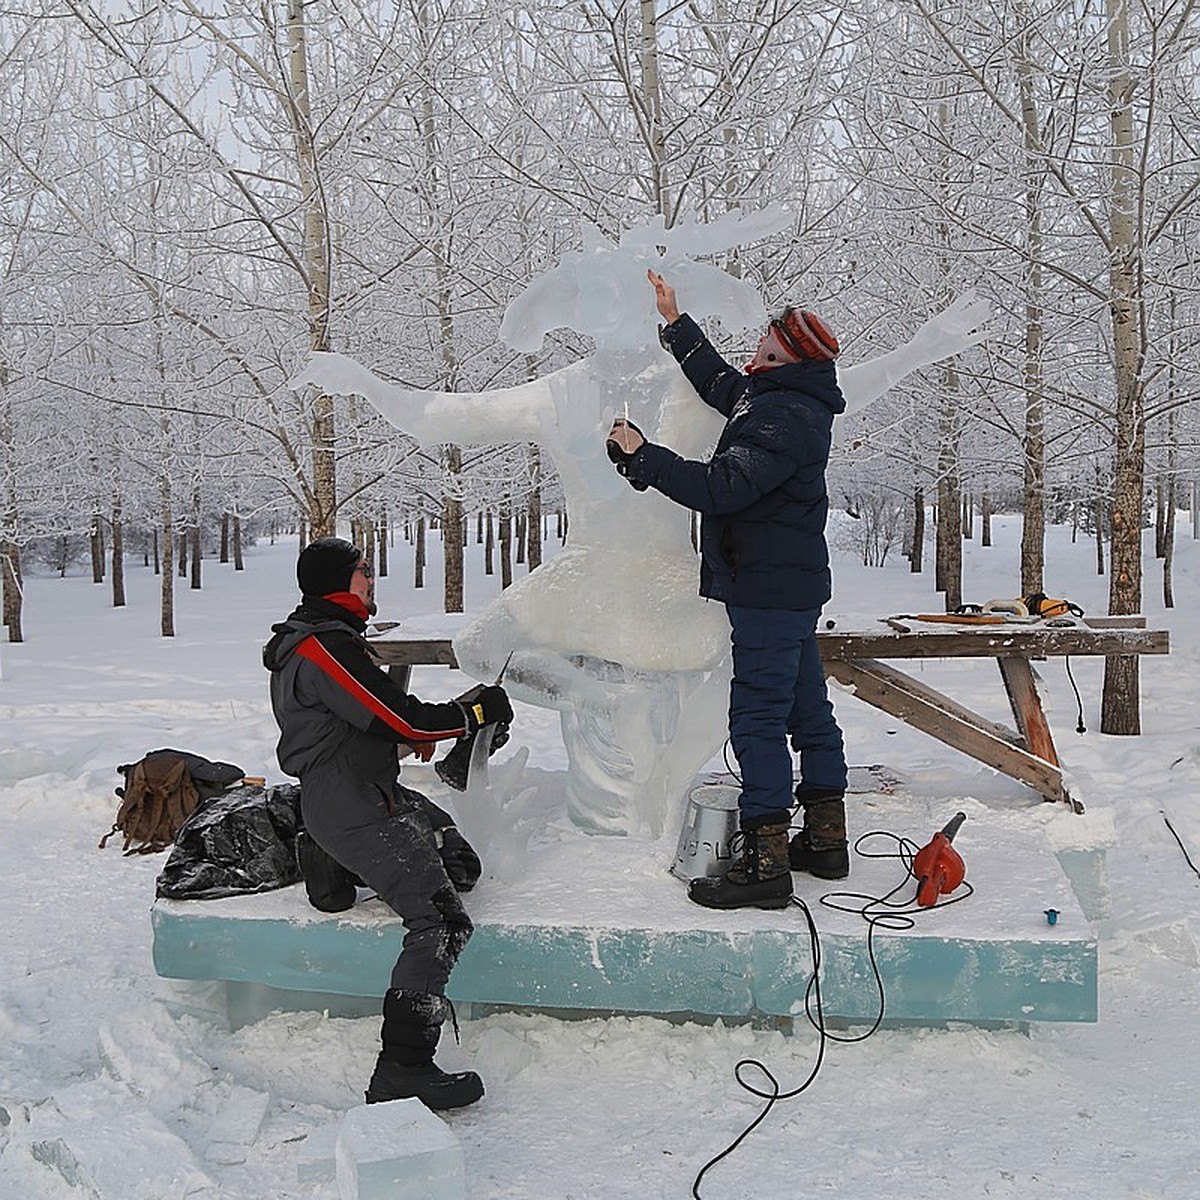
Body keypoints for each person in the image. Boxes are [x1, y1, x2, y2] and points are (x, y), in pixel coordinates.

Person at [605, 270, 850, 911]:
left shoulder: (785, 418)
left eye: (765, 348)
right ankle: (826, 838)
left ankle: (765, 857)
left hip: (769, 591)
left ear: (786, 359)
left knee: (757, 719)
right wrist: (675, 322)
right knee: (804, 710)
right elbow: (722, 385)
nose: (753, 354)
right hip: (786, 585)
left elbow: (721, 488)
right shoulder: (777, 399)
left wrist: (641, 458)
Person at [262, 536, 513, 1109]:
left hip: (362, 792)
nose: (371, 580)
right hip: (353, 806)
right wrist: (471, 713)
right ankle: (404, 1067)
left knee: (458, 860)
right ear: (336, 583)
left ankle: (330, 861)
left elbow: (363, 721)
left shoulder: (324, 639)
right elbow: (401, 717)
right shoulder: (323, 647)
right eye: (362, 571)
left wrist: (403, 738)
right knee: (442, 922)